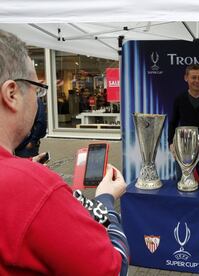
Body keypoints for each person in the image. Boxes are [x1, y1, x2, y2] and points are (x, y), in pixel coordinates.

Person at [0, 30, 129, 275]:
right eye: (38, 89)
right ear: (12, 94)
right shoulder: (33, 188)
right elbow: (113, 269)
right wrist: (105, 201)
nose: (39, 100)